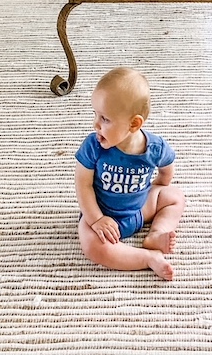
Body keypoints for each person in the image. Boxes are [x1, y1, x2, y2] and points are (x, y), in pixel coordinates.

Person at [74, 67, 186, 281]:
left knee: (175, 196)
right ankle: (146, 258)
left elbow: (167, 164)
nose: (95, 124)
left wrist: (161, 184)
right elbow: (83, 184)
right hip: (103, 214)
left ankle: (156, 234)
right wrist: (96, 219)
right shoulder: (93, 146)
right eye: (95, 115)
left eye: (105, 119)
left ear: (134, 124)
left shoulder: (154, 147)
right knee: (91, 246)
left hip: (140, 209)